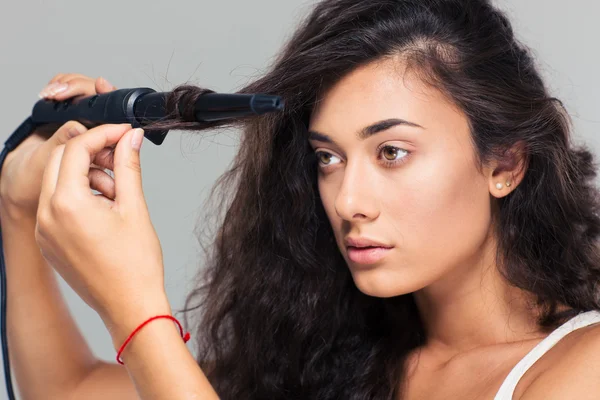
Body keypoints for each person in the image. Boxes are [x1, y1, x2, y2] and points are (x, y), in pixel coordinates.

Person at [1, 0, 600, 398]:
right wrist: (17, 204)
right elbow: (71, 389)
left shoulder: (579, 370)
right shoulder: (337, 363)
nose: (348, 201)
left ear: (506, 163)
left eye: (391, 152)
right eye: (327, 158)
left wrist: (137, 312)